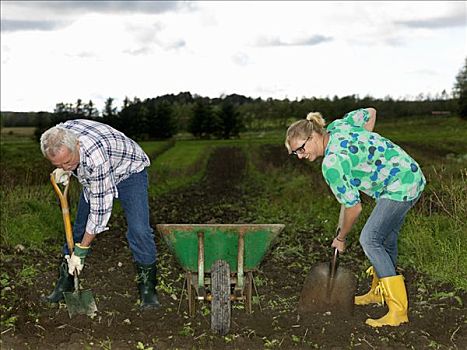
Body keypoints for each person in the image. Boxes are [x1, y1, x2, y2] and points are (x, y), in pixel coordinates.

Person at [285, 108, 425, 327]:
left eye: (301, 149)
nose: (301, 156)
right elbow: (370, 112)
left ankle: (398, 311)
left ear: (313, 137)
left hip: (399, 186)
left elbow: (354, 208)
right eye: (296, 153)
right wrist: (363, 153)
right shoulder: (339, 127)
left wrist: (341, 238)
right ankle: (379, 292)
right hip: (409, 174)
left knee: (370, 239)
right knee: (386, 239)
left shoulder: (332, 164)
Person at [40, 119, 160, 310]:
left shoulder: (96, 157)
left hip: (129, 172)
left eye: (67, 162)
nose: (64, 167)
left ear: (77, 145)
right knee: (78, 229)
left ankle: (148, 290)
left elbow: (100, 211)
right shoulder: (58, 135)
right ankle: (66, 283)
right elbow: (68, 160)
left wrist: (82, 251)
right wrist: (65, 169)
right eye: (58, 164)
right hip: (95, 173)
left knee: (139, 229)